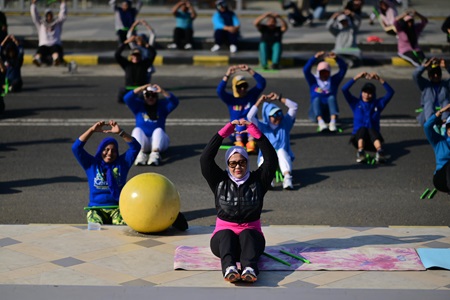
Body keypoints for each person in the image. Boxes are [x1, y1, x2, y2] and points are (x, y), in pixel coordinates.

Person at [200, 119, 278, 283]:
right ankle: (229, 269)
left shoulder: (259, 181)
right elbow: (205, 159)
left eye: (242, 162)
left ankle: (249, 268)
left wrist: (254, 131)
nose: (238, 167)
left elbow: (271, 160)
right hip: (222, 243)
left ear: (247, 163)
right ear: (228, 164)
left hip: (251, 243)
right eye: (233, 163)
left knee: (248, 234)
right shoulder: (219, 180)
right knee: (227, 234)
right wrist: (225, 131)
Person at [72, 120, 141, 225]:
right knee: (95, 229)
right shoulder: (92, 164)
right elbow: (76, 148)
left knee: (121, 227)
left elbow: (136, 147)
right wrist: (92, 130)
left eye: (113, 151)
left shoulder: (122, 163)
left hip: (117, 208)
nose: (109, 153)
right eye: (106, 150)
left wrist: (120, 132)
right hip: (96, 209)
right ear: (100, 151)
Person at [247, 92, 298, 190]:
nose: (278, 117)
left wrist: (279, 98)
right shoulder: (262, 127)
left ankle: (287, 178)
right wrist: (260, 101)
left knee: (281, 152)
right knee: (266, 155)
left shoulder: (285, 124)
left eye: (279, 113)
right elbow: (249, 117)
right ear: (268, 117)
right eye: (274, 115)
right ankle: (268, 179)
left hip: (283, 155)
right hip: (266, 155)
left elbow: (294, 107)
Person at [341, 72, 394, 163]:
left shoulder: (378, 104)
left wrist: (379, 79)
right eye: (365, 92)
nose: (367, 95)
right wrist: (357, 77)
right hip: (358, 139)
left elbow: (390, 92)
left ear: (373, 94)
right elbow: (344, 89)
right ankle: (361, 152)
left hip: (373, 141)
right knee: (362, 129)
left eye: (370, 93)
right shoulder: (355, 103)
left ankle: (380, 152)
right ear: (361, 92)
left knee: (371, 129)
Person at [123, 83, 179, 166]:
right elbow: (126, 98)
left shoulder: (163, 107)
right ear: (144, 96)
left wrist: (163, 91)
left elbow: (175, 102)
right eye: (148, 95)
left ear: (157, 96)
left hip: (160, 143)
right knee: (137, 130)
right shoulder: (138, 106)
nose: (150, 98)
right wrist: (141, 88)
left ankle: (155, 155)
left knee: (158, 130)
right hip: (144, 143)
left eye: (153, 95)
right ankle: (140, 154)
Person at [217, 64, 266, 152]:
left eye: (244, 86)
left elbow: (262, 83)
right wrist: (227, 75)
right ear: (234, 87)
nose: (242, 89)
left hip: (251, 130)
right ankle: (239, 143)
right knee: (239, 123)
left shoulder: (251, 96)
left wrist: (249, 70)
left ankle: (251, 143)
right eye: (239, 87)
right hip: (236, 133)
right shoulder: (231, 99)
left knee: (249, 120)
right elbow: (219, 91)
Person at [303, 51, 348, 132]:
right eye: (322, 72)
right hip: (315, 115)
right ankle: (321, 123)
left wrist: (337, 58)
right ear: (318, 72)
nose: (324, 74)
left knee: (331, 97)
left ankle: (333, 122)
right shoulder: (313, 81)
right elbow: (306, 70)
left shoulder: (334, 81)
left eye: (326, 72)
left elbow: (343, 69)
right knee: (316, 99)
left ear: (329, 72)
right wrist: (315, 58)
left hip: (328, 114)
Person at [413, 58, 450, 127]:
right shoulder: (425, 85)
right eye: (433, 74)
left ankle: (444, 124)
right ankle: (431, 124)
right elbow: (415, 75)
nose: (436, 76)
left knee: (446, 102)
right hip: (429, 116)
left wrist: (447, 67)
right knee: (428, 103)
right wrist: (424, 66)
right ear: (429, 76)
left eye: (438, 74)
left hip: (444, 116)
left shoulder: (446, 85)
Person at [30, 0, 67, 66]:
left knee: (55, 51)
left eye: (50, 15)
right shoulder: (41, 24)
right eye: (48, 15)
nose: (49, 17)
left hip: (55, 44)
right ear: (46, 16)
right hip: (44, 45)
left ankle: (56, 60)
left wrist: (63, 3)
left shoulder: (57, 23)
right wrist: (33, 4)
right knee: (40, 51)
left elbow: (62, 15)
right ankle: (37, 59)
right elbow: (34, 16)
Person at [424, 104, 450, 193]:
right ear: (447, 129)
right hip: (441, 179)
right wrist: (441, 111)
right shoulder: (439, 141)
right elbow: (427, 126)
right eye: (449, 127)